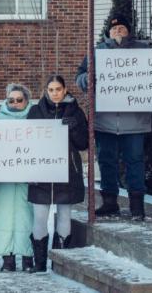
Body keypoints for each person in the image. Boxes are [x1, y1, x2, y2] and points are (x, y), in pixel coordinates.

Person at [76, 14, 152, 220]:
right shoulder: (97, 52)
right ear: (108, 33)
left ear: (129, 31)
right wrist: (87, 79)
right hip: (105, 120)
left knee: (134, 161)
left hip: (134, 120)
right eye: (113, 29)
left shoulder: (143, 50)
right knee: (106, 160)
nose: (117, 32)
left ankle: (137, 205)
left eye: (122, 28)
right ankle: (110, 202)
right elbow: (80, 76)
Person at [27, 75, 88, 273]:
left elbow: (83, 144)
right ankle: (40, 262)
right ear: (46, 90)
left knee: (64, 214)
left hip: (67, 170)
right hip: (41, 170)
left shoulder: (76, 112)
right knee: (39, 216)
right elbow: (27, 140)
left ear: (64, 90)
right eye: (51, 89)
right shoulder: (36, 111)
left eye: (58, 89)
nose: (55, 93)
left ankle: (59, 261)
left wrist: (75, 128)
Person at [0, 83, 35, 272]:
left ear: (27, 101)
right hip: (4, 180)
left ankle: (28, 257)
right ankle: (7, 259)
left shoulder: (35, 120)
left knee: (27, 216)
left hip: (28, 178)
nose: (15, 103)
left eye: (19, 100)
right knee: (3, 217)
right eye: (11, 100)